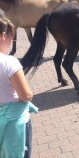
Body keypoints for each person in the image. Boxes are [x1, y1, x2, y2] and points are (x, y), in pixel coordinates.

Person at [0, 16, 38, 158]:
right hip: (14, 123)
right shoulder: (9, 62)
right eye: (11, 37)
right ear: (4, 36)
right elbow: (25, 95)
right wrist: (30, 94)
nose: (11, 42)